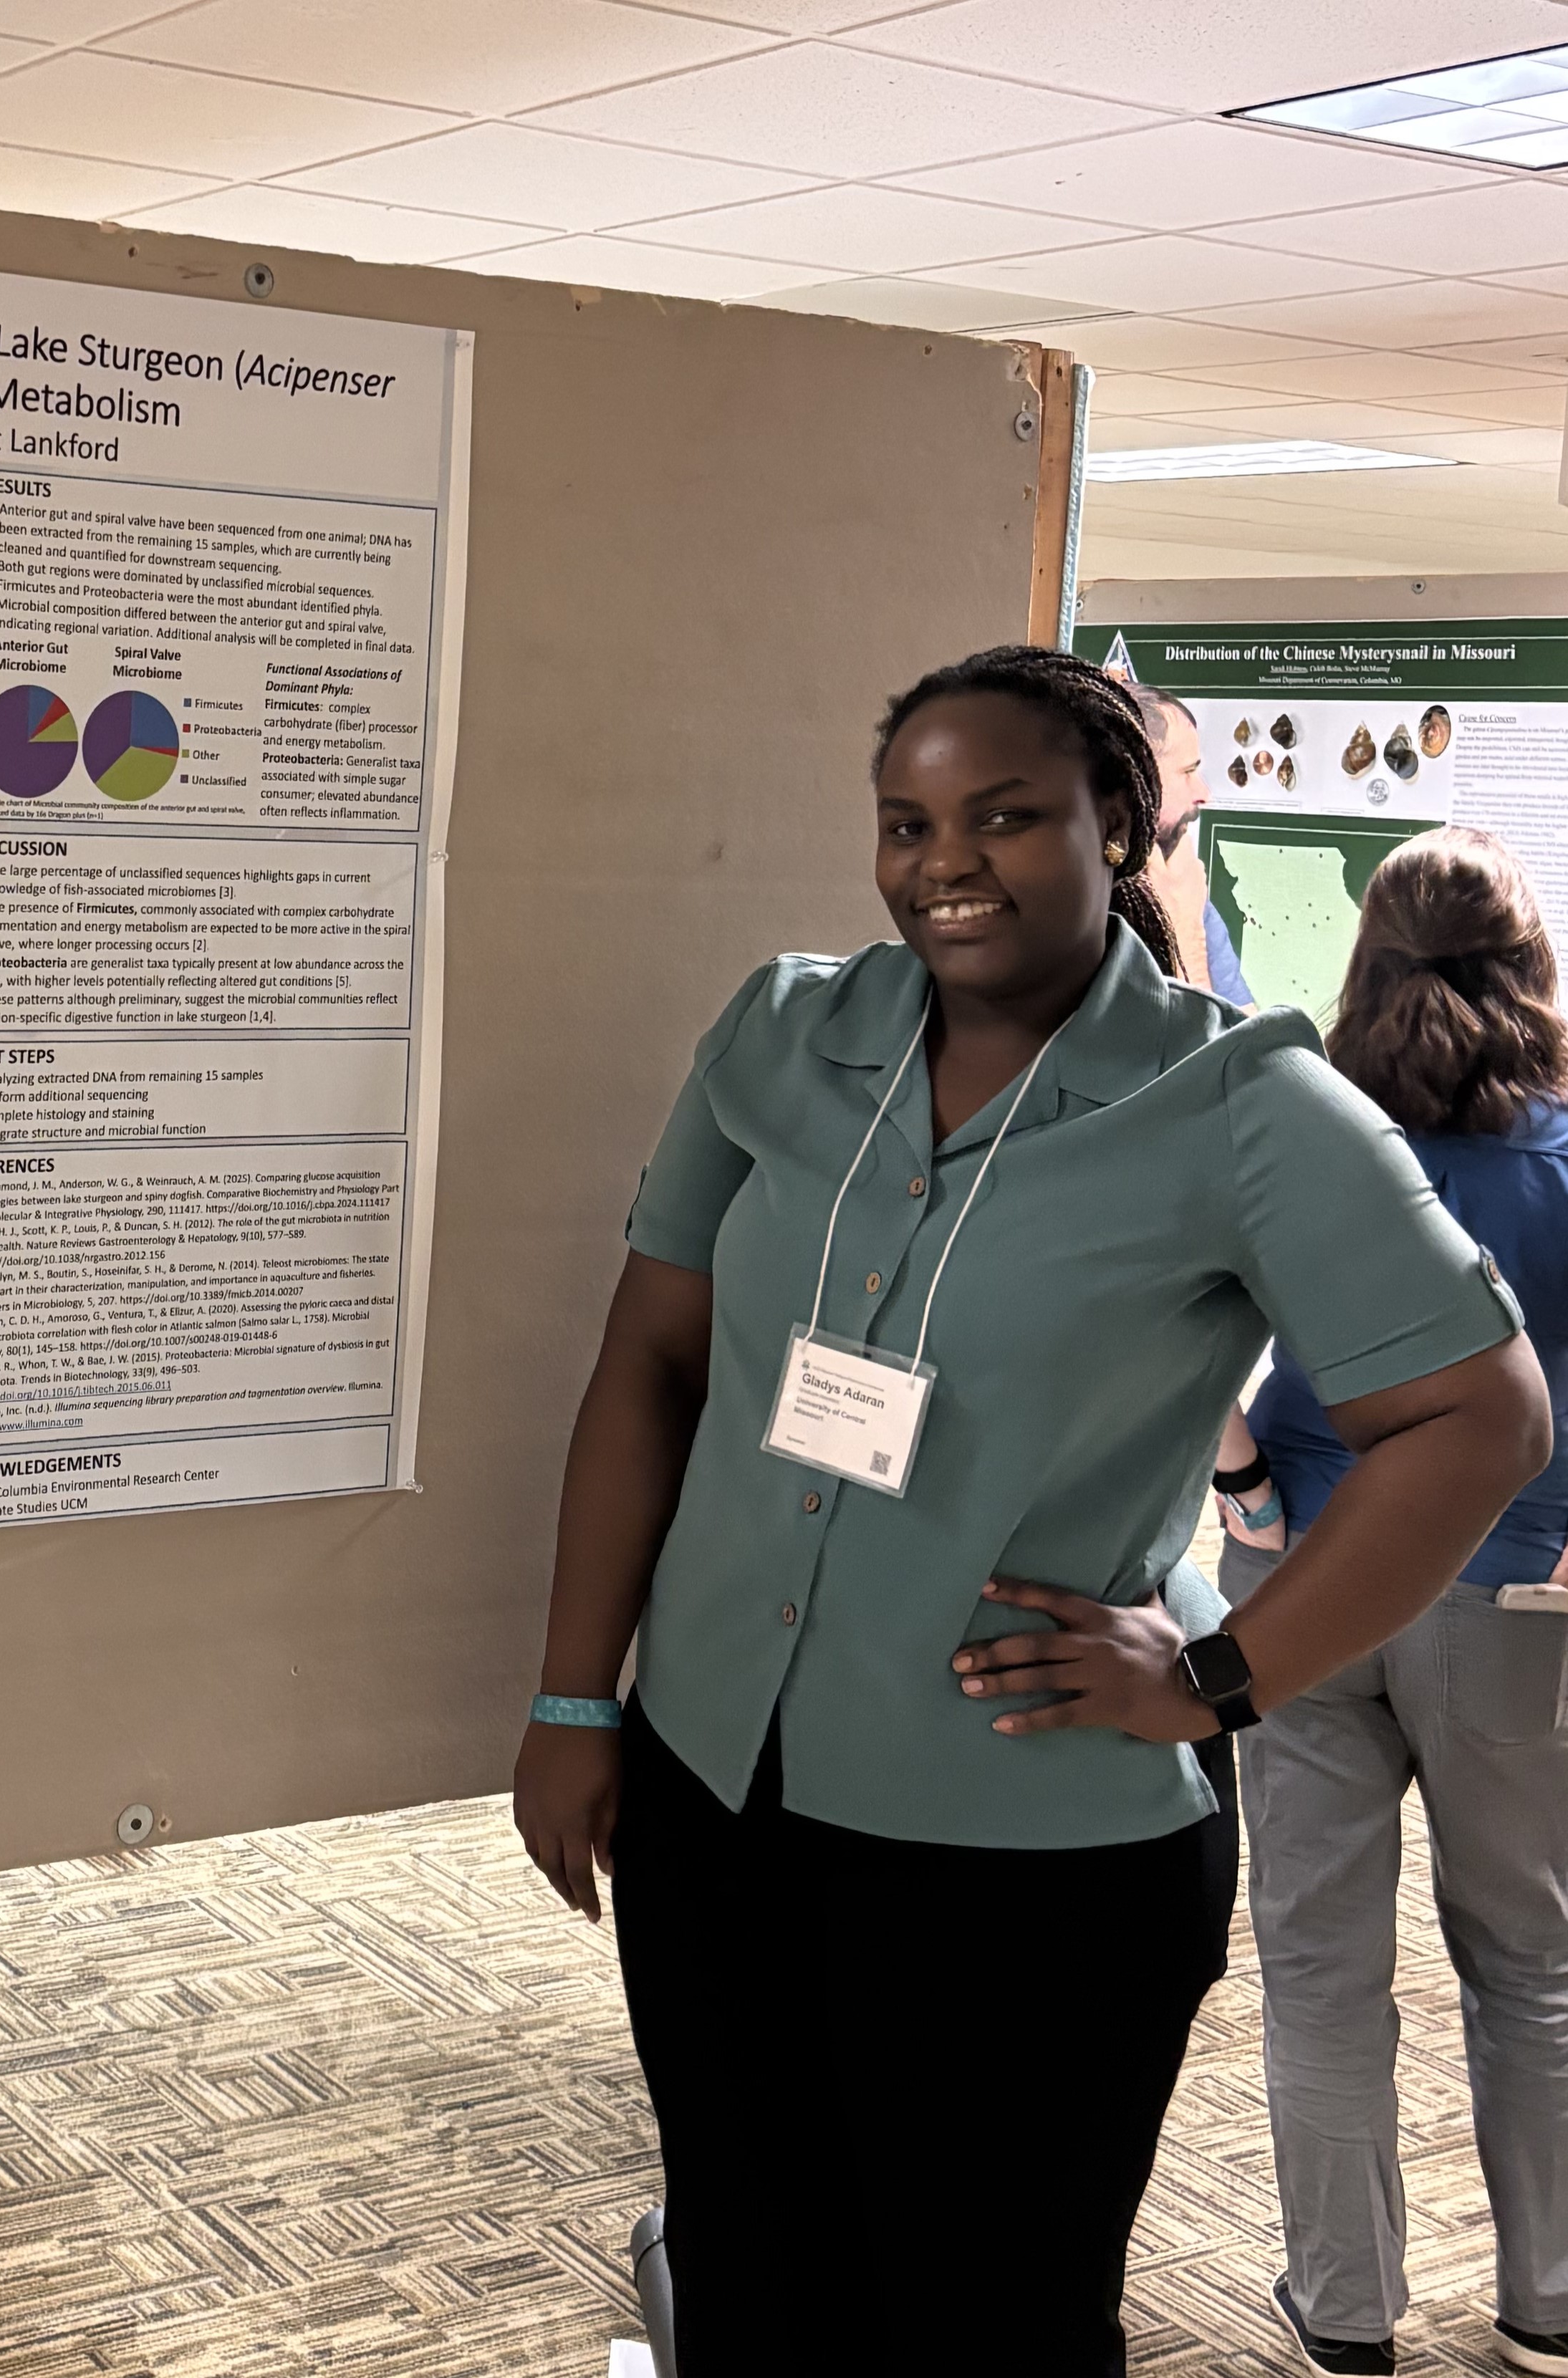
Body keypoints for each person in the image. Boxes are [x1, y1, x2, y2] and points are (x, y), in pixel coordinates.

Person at [512, 645, 1550, 2377]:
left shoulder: (1235, 1103)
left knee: (982, 2316)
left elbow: (1478, 1415)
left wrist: (1220, 1677)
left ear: (1116, 826)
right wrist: (569, 1696)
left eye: (1001, 817)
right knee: (748, 2273)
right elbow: (646, 1363)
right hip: (715, 1791)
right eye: (905, 822)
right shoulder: (782, 1034)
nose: (944, 863)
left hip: (1018, 1850)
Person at [1211, 827, 1568, 2378]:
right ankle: (1551, 2300)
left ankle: (1346, 2309)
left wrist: (1241, 1489)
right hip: (1512, 1587)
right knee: (1529, 1958)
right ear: (1532, 963)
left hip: (1303, 1576)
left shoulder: (1309, 1130)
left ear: (1365, 958)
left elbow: (1193, 1334)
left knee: (1319, 1963)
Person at [1130, 680, 1255, 1006]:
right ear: (1133, 781)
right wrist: (1186, 936)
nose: (1203, 793)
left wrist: (1189, 919)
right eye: (1187, 772)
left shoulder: (1184, 887)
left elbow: (1247, 1029)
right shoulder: (1074, 907)